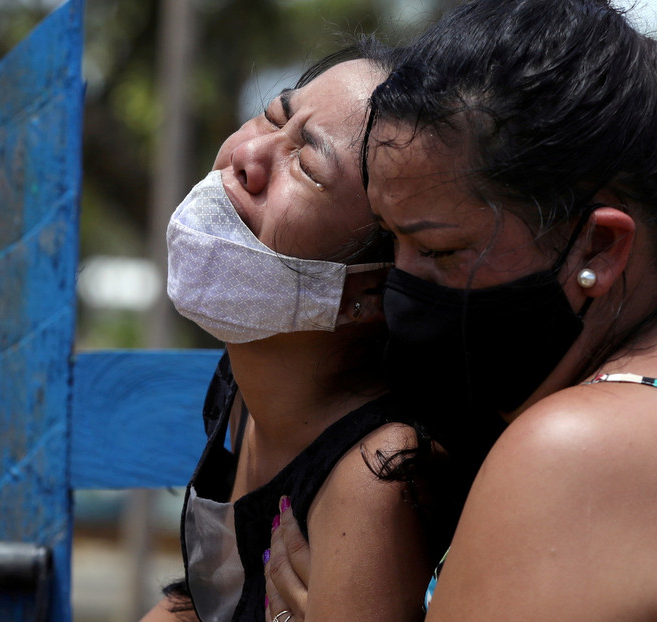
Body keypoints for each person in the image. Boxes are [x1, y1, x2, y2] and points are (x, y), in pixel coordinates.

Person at [265, 1, 657, 619]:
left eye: (439, 250)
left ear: (600, 246)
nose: (401, 289)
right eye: (390, 241)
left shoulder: (571, 449)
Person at [143, 39, 472, 622]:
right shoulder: (246, 379)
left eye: (309, 165)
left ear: (370, 292)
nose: (249, 154)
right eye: (272, 116)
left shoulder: (376, 477)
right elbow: (206, 601)